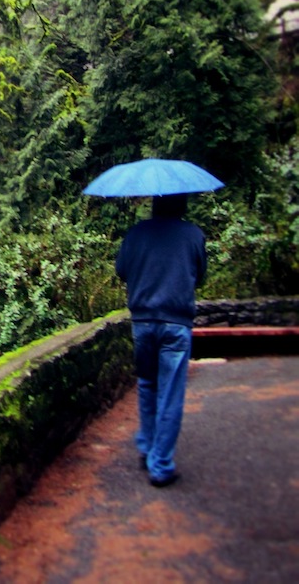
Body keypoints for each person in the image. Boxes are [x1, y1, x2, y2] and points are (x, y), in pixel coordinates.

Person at [115, 193, 207, 487]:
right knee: (170, 392)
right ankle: (161, 465)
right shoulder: (193, 234)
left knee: (147, 384)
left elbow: (121, 271)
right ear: (182, 205)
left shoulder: (136, 233)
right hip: (176, 322)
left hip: (142, 322)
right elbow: (200, 275)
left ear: (153, 205)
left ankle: (147, 446)